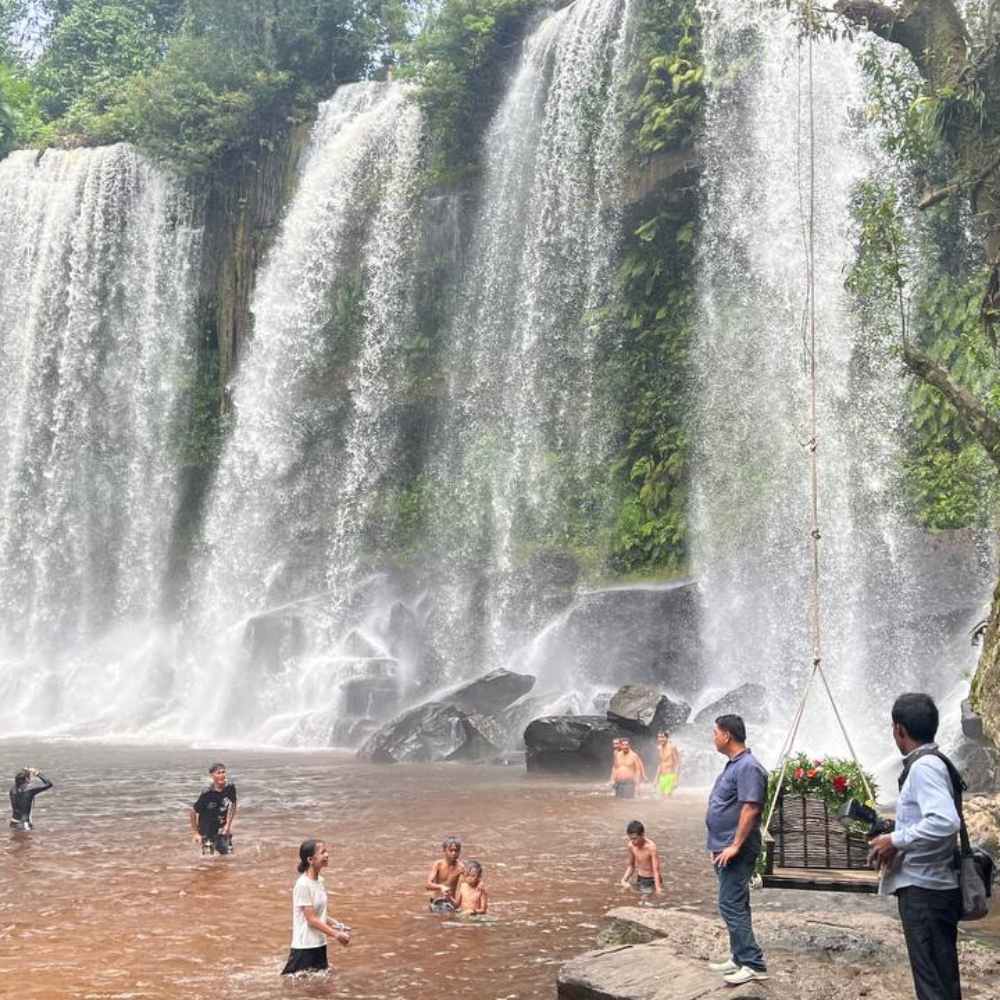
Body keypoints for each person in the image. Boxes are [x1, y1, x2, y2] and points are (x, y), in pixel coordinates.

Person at [867, 693, 962, 1000]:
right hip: (933, 887)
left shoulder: (924, 768)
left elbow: (945, 821)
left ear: (899, 729)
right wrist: (897, 829)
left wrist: (895, 840)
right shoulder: (932, 763)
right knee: (942, 981)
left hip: (925, 891)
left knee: (931, 985)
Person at [704, 714, 769, 986]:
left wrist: (734, 845)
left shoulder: (748, 767)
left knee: (729, 903)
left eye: (715, 732)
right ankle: (738, 956)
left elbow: (751, 808)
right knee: (736, 902)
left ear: (727, 735)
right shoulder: (734, 765)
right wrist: (718, 844)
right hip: (723, 846)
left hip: (736, 849)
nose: (713, 737)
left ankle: (753, 963)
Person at [281, 839, 351, 975]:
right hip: (305, 947)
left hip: (319, 943)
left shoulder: (320, 881)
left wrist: (337, 924)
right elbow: (311, 919)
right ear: (310, 859)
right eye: (322, 852)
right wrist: (336, 935)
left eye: (326, 851)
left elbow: (319, 913)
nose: (327, 855)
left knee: (320, 989)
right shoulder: (302, 885)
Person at [189, 763, 237, 855]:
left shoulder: (230, 787)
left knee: (229, 856)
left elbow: (233, 804)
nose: (222, 775)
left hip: (222, 828)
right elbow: (193, 812)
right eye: (218, 773)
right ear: (212, 775)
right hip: (207, 830)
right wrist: (195, 833)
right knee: (208, 860)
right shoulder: (207, 793)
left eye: (223, 772)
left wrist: (228, 824)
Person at [620, 819, 663, 901]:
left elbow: (656, 870)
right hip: (640, 878)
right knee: (630, 896)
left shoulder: (651, 847)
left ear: (642, 834)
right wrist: (624, 879)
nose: (633, 841)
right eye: (630, 839)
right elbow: (631, 866)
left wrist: (658, 889)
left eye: (635, 838)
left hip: (652, 879)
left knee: (646, 902)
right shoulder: (631, 845)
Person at [425, 835, 465, 912]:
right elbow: (428, 885)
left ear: (459, 851)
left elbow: (463, 889)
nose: (454, 853)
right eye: (451, 850)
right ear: (444, 850)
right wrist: (441, 887)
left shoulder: (461, 868)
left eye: (456, 851)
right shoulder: (438, 864)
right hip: (436, 901)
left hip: (451, 903)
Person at [654, 732, 681, 797]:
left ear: (667, 738)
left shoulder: (672, 747)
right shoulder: (659, 748)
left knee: (667, 798)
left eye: (663, 737)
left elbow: (678, 763)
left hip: (670, 776)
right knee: (661, 798)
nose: (660, 739)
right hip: (662, 777)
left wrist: (676, 780)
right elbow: (660, 764)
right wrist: (656, 778)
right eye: (659, 737)